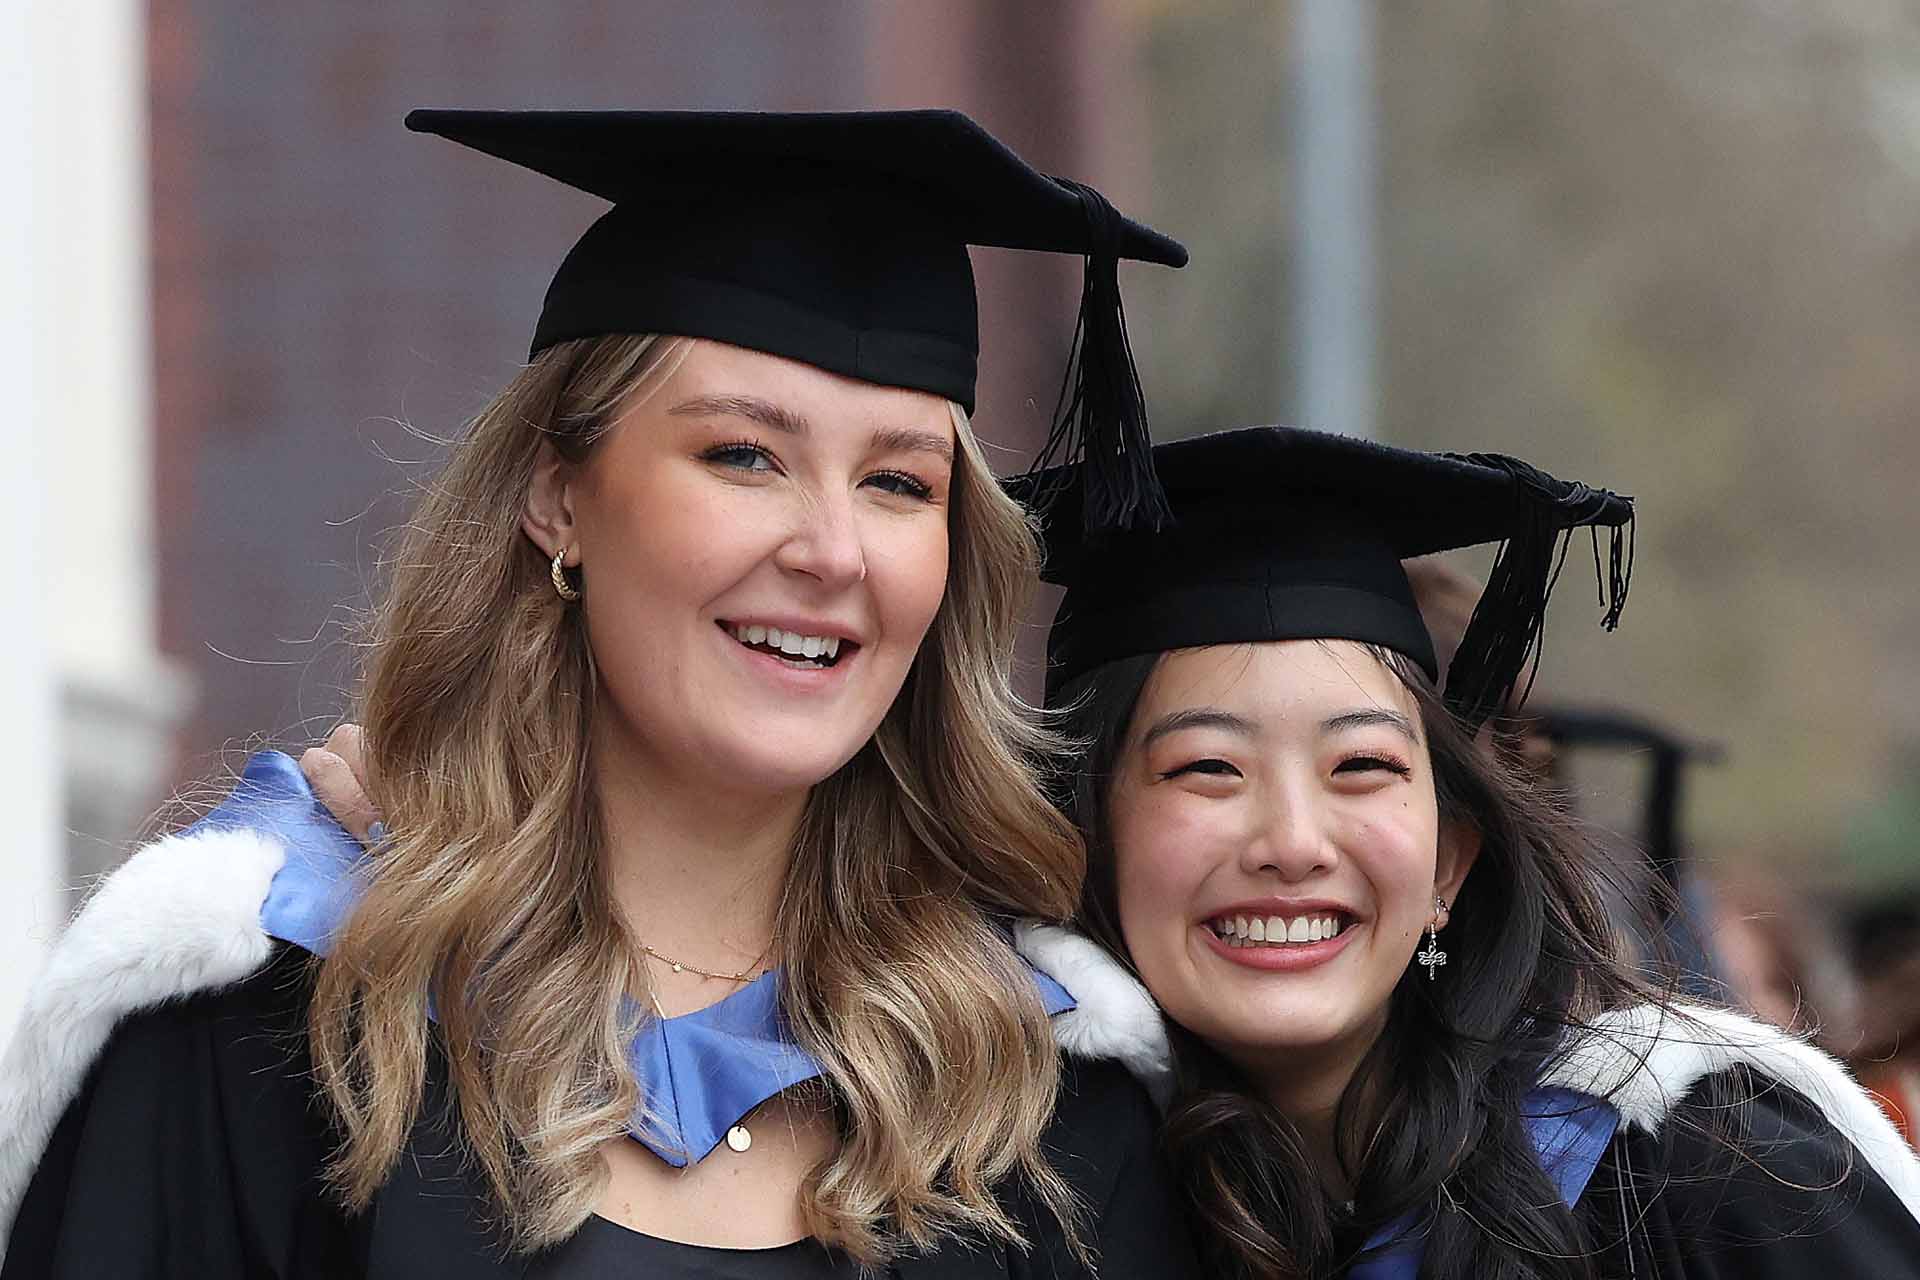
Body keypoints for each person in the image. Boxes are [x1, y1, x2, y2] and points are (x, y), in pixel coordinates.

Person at [0, 110, 1198, 1278]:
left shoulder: (1038, 1089)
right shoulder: (266, 1024)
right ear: (557, 497)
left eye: (898, 482)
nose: (835, 551)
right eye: (744, 455)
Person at [1016, 426, 1920, 1276]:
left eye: (1361, 766)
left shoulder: (1699, 1177)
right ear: (1084, 842)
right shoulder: (1033, 1214)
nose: (1291, 843)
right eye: (1209, 768)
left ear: (1449, 863)